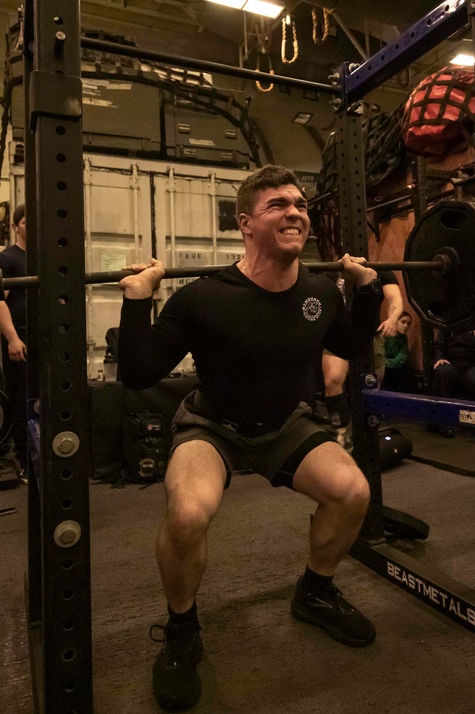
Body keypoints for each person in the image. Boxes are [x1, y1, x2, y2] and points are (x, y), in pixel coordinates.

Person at [117, 165, 382, 711]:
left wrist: (369, 290)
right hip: (212, 426)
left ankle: (315, 592)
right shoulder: (203, 297)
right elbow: (139, 373)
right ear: (245, 223)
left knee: (353, 492)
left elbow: (353, 346)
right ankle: (182, 628)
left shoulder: (319, 292)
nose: (295, 213)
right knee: (188, 513)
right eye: (278, 205)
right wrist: (138, 299)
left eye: (300, 204)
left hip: (286, 424)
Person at [321, 269, 403, 443]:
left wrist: (393, 318)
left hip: (370, 335)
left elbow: (395, 299)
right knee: (333, 379)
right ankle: (342, 432)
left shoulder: (382, 271)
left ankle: (369, 434)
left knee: (373, 385)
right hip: (338, 334)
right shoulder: (332, 272)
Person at [0, 204, 28, 476]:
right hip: (21, 339)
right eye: (26, 222)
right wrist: (13, 339)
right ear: (16, 226)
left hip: (45, 340)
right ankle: (25, 461)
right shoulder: (5, 259)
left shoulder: (46, 258)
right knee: (22, 400)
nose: (32, 227)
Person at [381, 311, 413, 392]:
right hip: (383, 370)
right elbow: (379, 358)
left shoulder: (403, 337)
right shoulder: (383, 334)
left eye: (408, 324)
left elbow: (402, 358)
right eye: (403, 322)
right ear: (395, 321)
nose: (406, 326)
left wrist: (386, 363)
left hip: (395, 369)